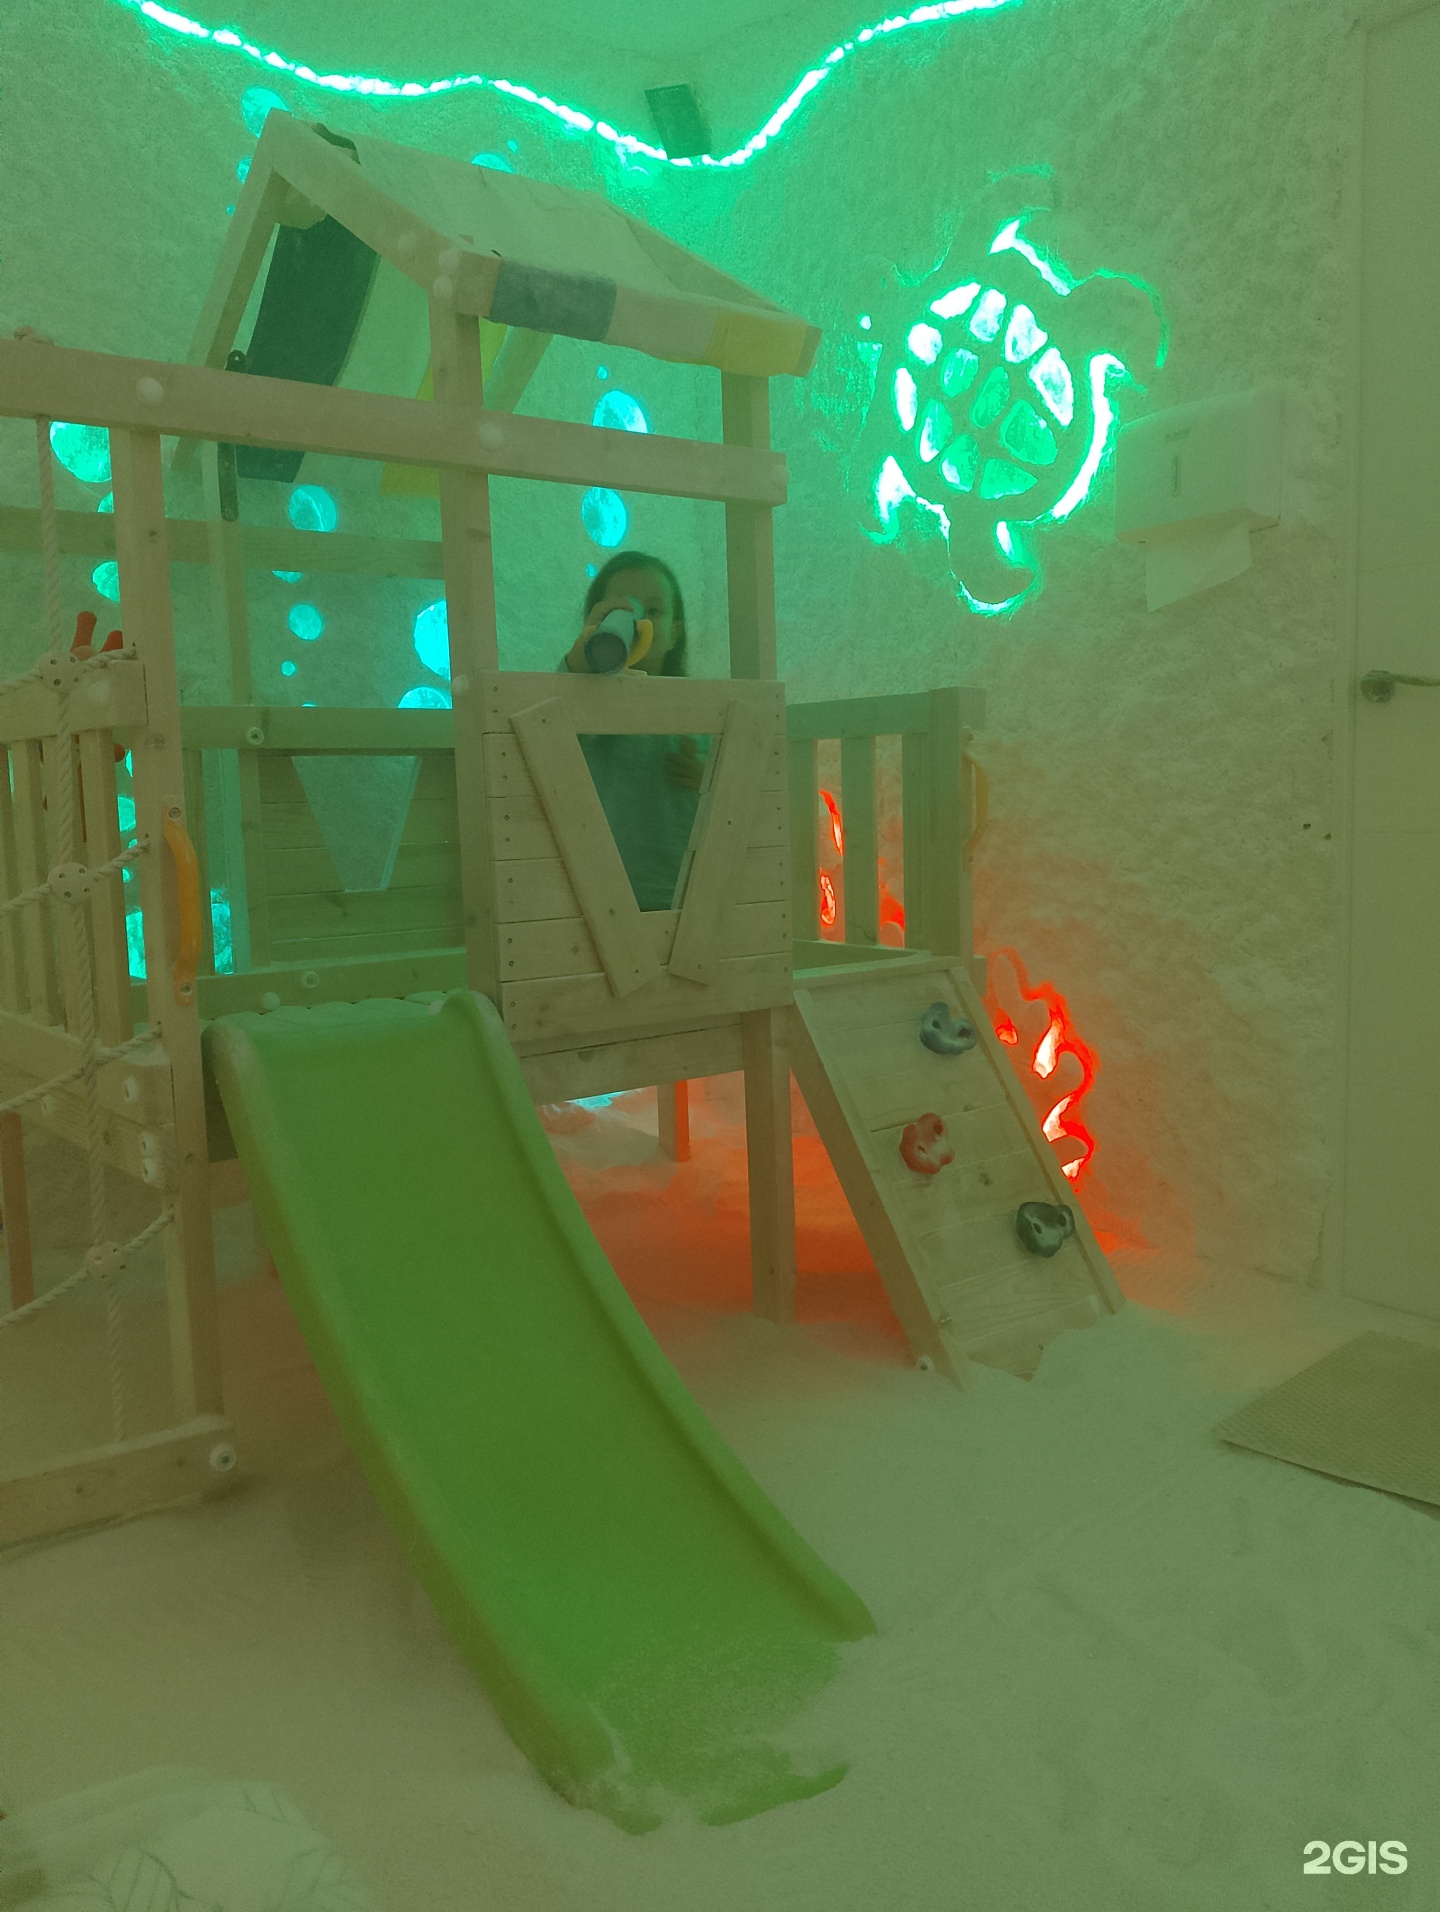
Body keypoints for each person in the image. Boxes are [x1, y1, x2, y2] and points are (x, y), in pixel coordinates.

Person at [560, 551, 708, 911]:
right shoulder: (586, 701)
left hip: (683, 894)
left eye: (653, 610)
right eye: (622, 608)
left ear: (674, 633)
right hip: (598, 897)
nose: (639, 620)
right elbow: (551, 728)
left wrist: (710, 776)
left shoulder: (701, 708)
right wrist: (583, 657)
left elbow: (740, 792)